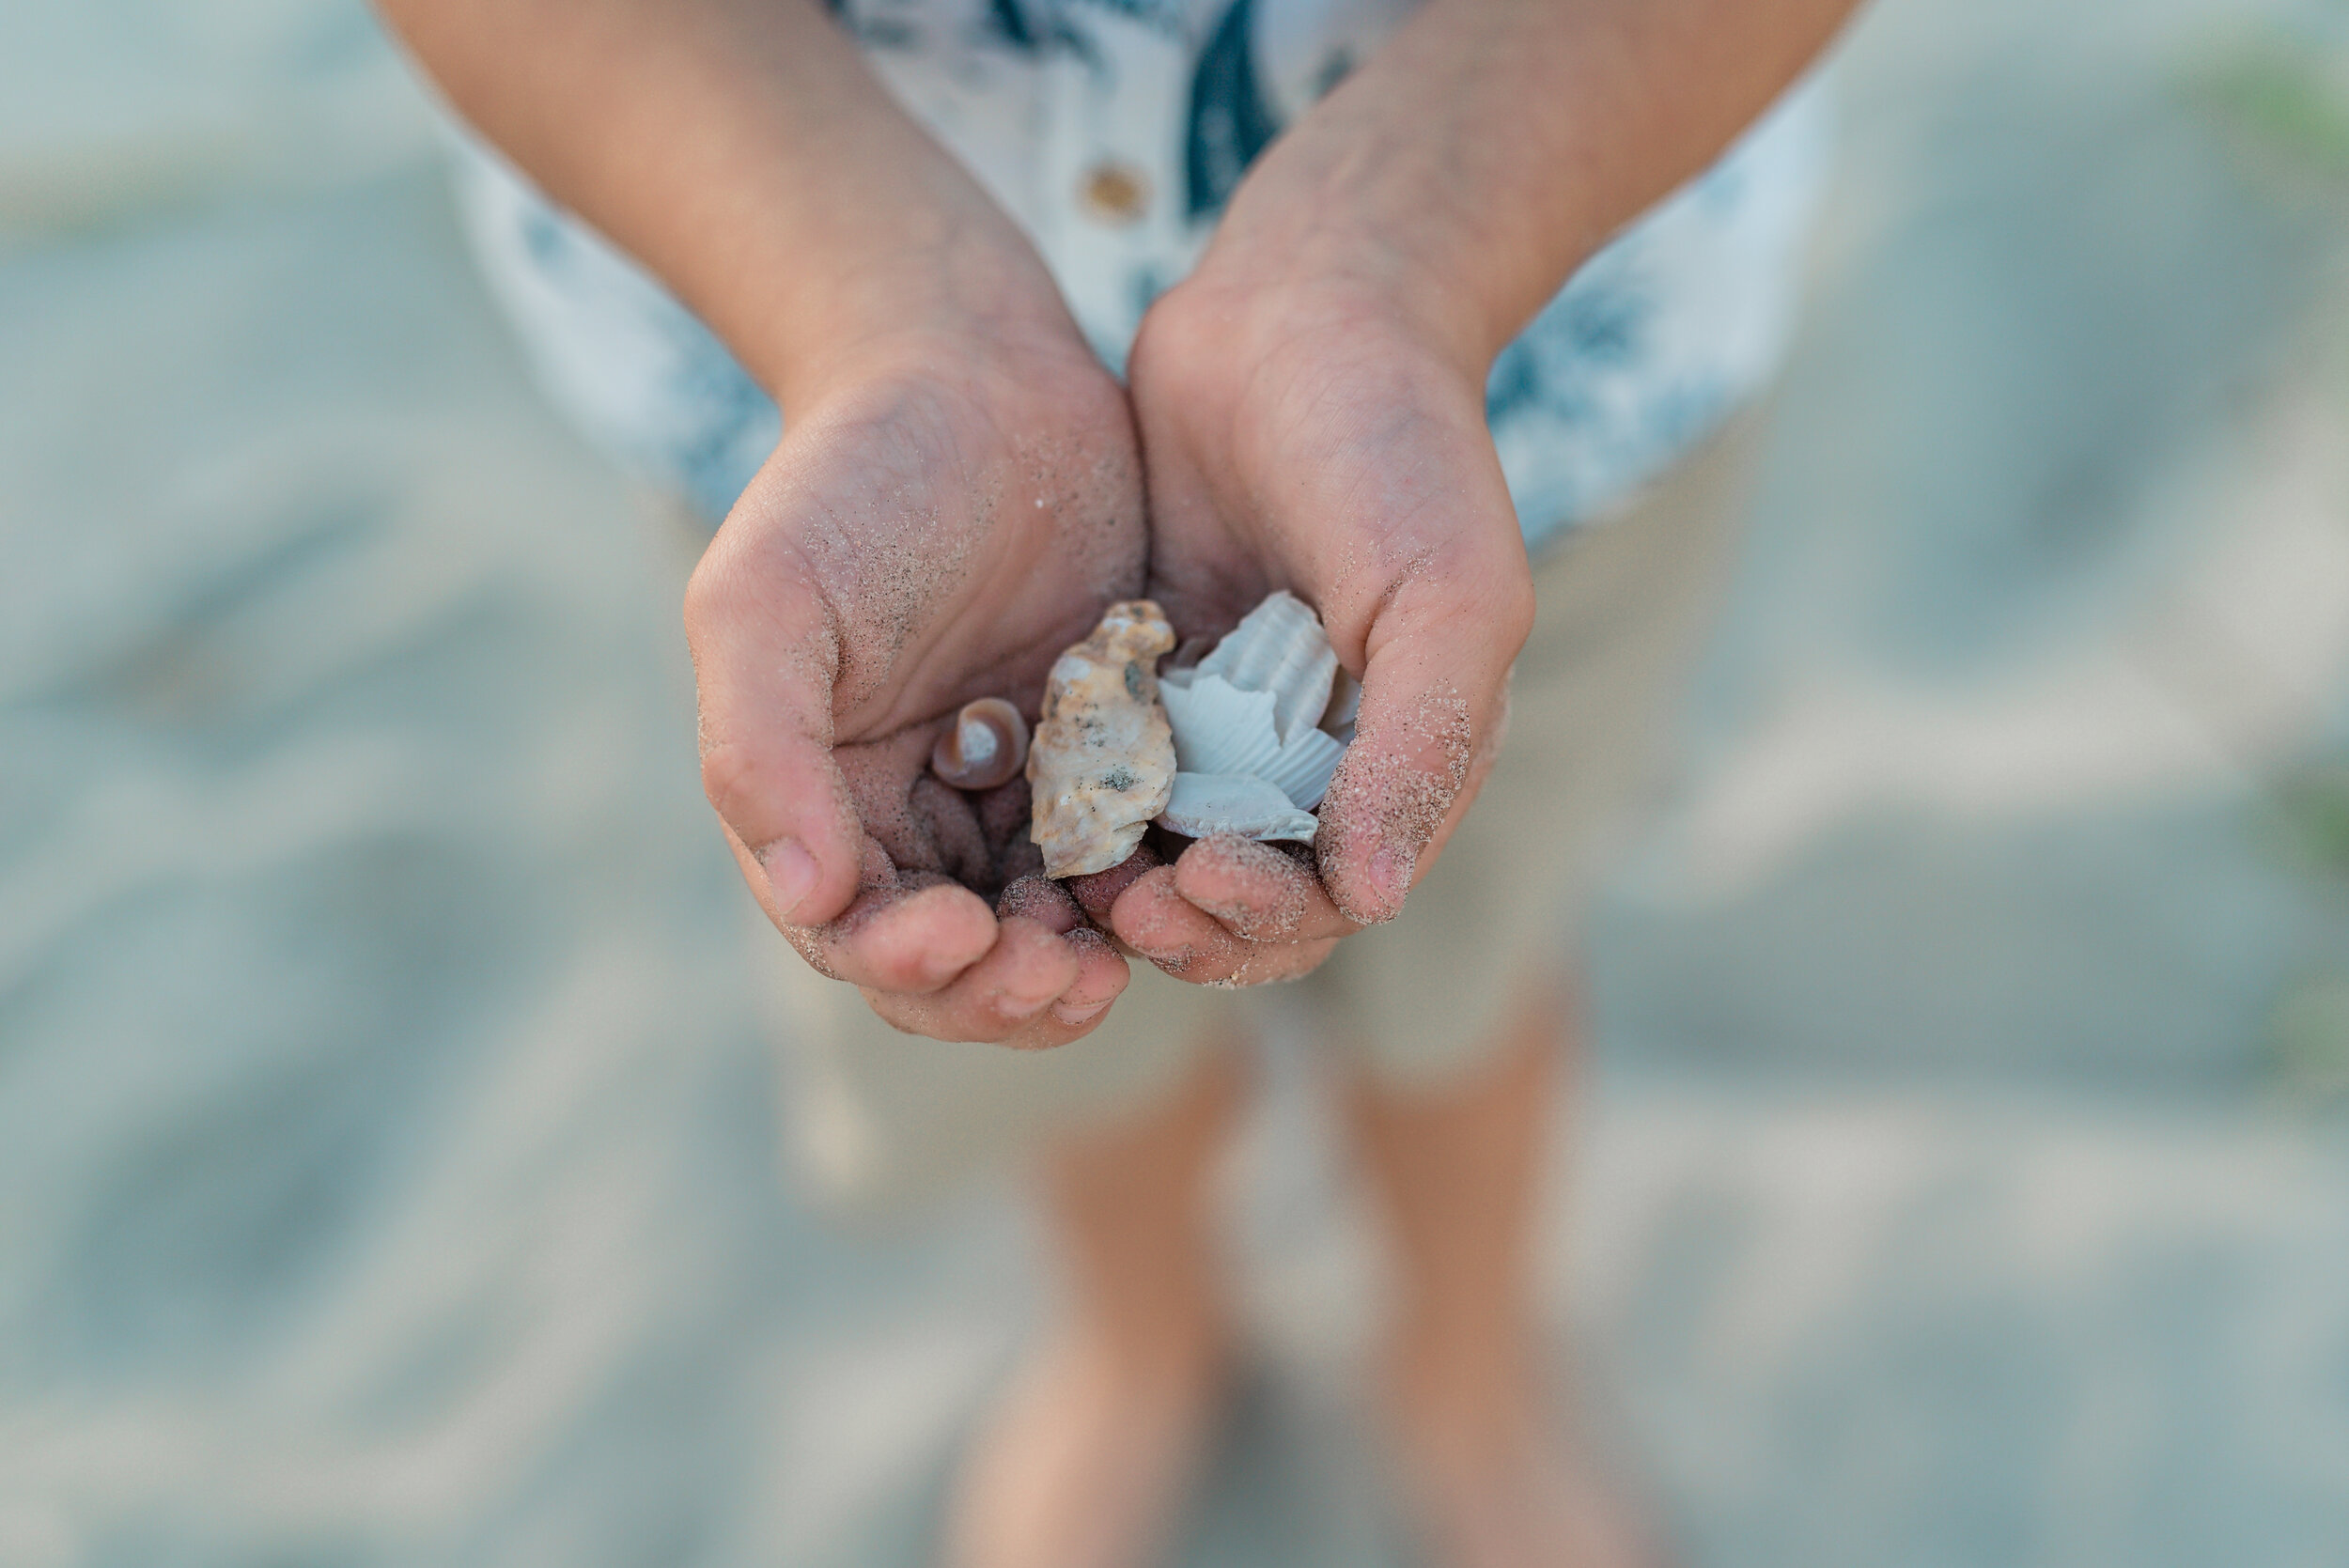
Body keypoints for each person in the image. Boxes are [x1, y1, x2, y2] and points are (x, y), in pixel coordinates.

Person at [379, 1, 1861, 1561]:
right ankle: (1145, 1333)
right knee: (1054, 1006)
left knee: (1469, 965)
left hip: (1538, 372)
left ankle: (1467, 1362)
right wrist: (883, 319)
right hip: (814, 396)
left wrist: (1412, 246)